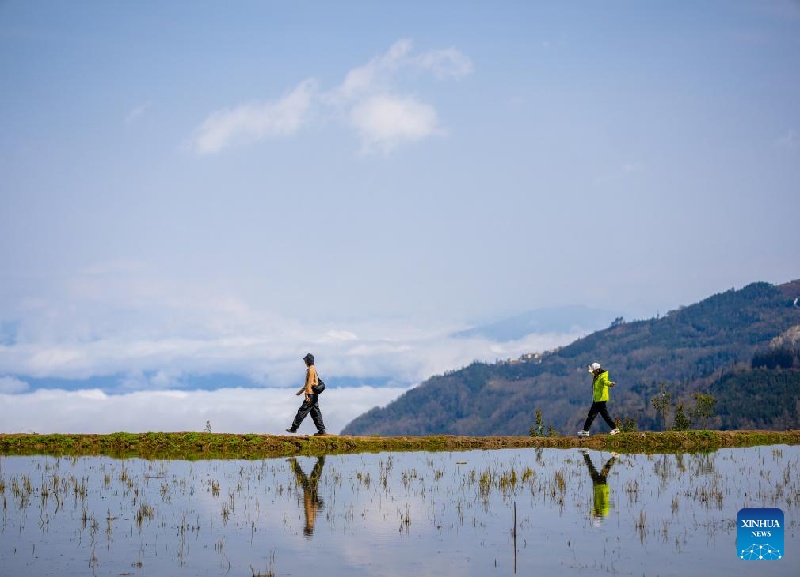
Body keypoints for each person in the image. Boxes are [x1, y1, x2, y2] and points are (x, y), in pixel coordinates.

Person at [286, 353, 326, 435]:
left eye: (305, 360)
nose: (304, 362)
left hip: (310, 395)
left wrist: (306, 395)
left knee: (302, 411)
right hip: (314, 395)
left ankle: (294, 428)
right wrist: (301, 391)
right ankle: (322, 430)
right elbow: (309, 383)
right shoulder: (313, 369)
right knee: (316, 413)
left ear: (308, 361)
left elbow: (310, 383)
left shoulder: (311, 370)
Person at [577, 362, 620, 437]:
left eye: (594, 371)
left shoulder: (603, 376)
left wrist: (610, 384)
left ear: (597, 370)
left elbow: (605, 382)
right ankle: (585, 431)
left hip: (601, 399)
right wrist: (590, 371)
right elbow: (593, 375)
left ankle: (615, 429)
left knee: (601, 416)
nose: (593, 372)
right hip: (597, 399)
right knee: (593, 415)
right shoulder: (597, 375)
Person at [288, 456, 325, 537]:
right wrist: (315, 502)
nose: (307, 526)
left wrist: (315, 502)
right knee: (313, 474)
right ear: (308, 528)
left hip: (310, 491)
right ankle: (321, 458)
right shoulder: (310, 520)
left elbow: (310, 506)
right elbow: (310, 506)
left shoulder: (310, 520)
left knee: (306, 476)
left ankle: (294, 462)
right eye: (307, 528)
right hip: (310, 490)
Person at [580, 449, 617, 525]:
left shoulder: (596, 510)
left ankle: (586, 454)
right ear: (599, 515)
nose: (594, 515)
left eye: (595, 516)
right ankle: (614, 457)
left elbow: (592, 510)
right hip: (602, 486)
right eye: (596, 516)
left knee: (591, 469)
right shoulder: (604, 510)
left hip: (597, 486)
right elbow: (605, 499)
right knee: (605, 469)